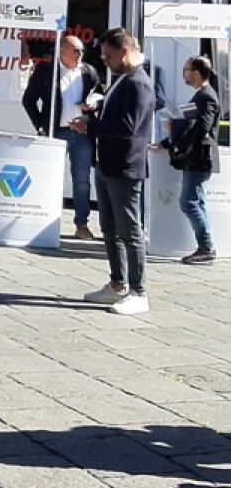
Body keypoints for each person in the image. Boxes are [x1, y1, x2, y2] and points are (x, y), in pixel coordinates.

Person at [72, 28, 154, 316]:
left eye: (109, 55)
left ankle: (139, 291)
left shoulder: (138, 83)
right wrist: (93, 114)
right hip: (107, 164)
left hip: (125, 167)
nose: (105, 60)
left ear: (126, 51)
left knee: (130, 231)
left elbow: (128, 127)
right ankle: (117, 284)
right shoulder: (123, 80)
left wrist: (89, 127)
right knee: (110, 228)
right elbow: (115, 117)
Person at [22, 35, 101, 240]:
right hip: (56, 132)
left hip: (82, 133)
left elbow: (98, 93)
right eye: (76, 50)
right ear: (62, 51)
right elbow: (29, 99)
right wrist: (40, 126)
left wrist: (93, 103)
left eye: (82, 50)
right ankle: (41, 220)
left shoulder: (88, 72)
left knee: (82, 180)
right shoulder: (47, 71)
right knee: (48, 178)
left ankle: (82, 224)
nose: (81, 54)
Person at [158, 56, 221, 264]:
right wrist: (169, 138)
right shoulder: (200, 96)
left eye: (186, 69)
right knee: (196, 201)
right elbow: (188, 124)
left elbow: (201, 127)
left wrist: (176, 136)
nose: (184, 73)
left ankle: (206, 246)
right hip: (196, 156)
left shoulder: (207, 97)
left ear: (195, 72)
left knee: (189, 202)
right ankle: (205, 245)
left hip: (199, 157)